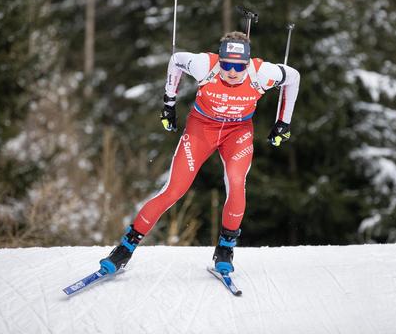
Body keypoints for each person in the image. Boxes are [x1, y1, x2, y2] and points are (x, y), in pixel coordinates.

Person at [99, 31, 300, 275]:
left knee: (236, 183)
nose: (232, 72)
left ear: (248, 63)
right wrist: (168, 104)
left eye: (239, 66)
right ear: (220, 59)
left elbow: (294, 76)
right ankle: (124, 249)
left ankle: (225, 249)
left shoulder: (263, 73)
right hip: (201, 129)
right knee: (174, 190)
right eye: (227, 64)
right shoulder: (205, 65)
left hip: (237, 132)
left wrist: (283, 122)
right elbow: (176, 59)